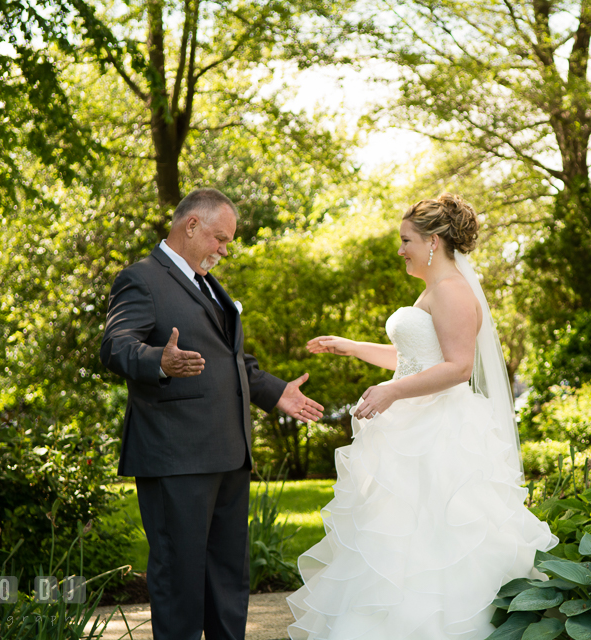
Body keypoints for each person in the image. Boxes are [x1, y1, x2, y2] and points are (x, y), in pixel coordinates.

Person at [286, 193, 558, 640]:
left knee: (434, 536)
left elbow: (457, 368)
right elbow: (415, 356)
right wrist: (352, 346)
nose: (400, 250)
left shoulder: (452, 291)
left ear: (433, 241)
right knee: (398, 537)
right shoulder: (435, 289)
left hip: (439, 432)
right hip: (413, 426)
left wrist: (392, 391)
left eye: (406, 240)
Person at [100, 187, 324, 640]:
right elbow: (116, 345)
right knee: (179, 581)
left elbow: (229, 359)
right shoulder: (141, 279)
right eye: (220, 239)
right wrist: (159, 361)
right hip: (175, 456)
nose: (225, 250)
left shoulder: (207, 285)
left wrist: (276, 392)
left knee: (227, 580)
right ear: (192, 225)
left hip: (228, 454)